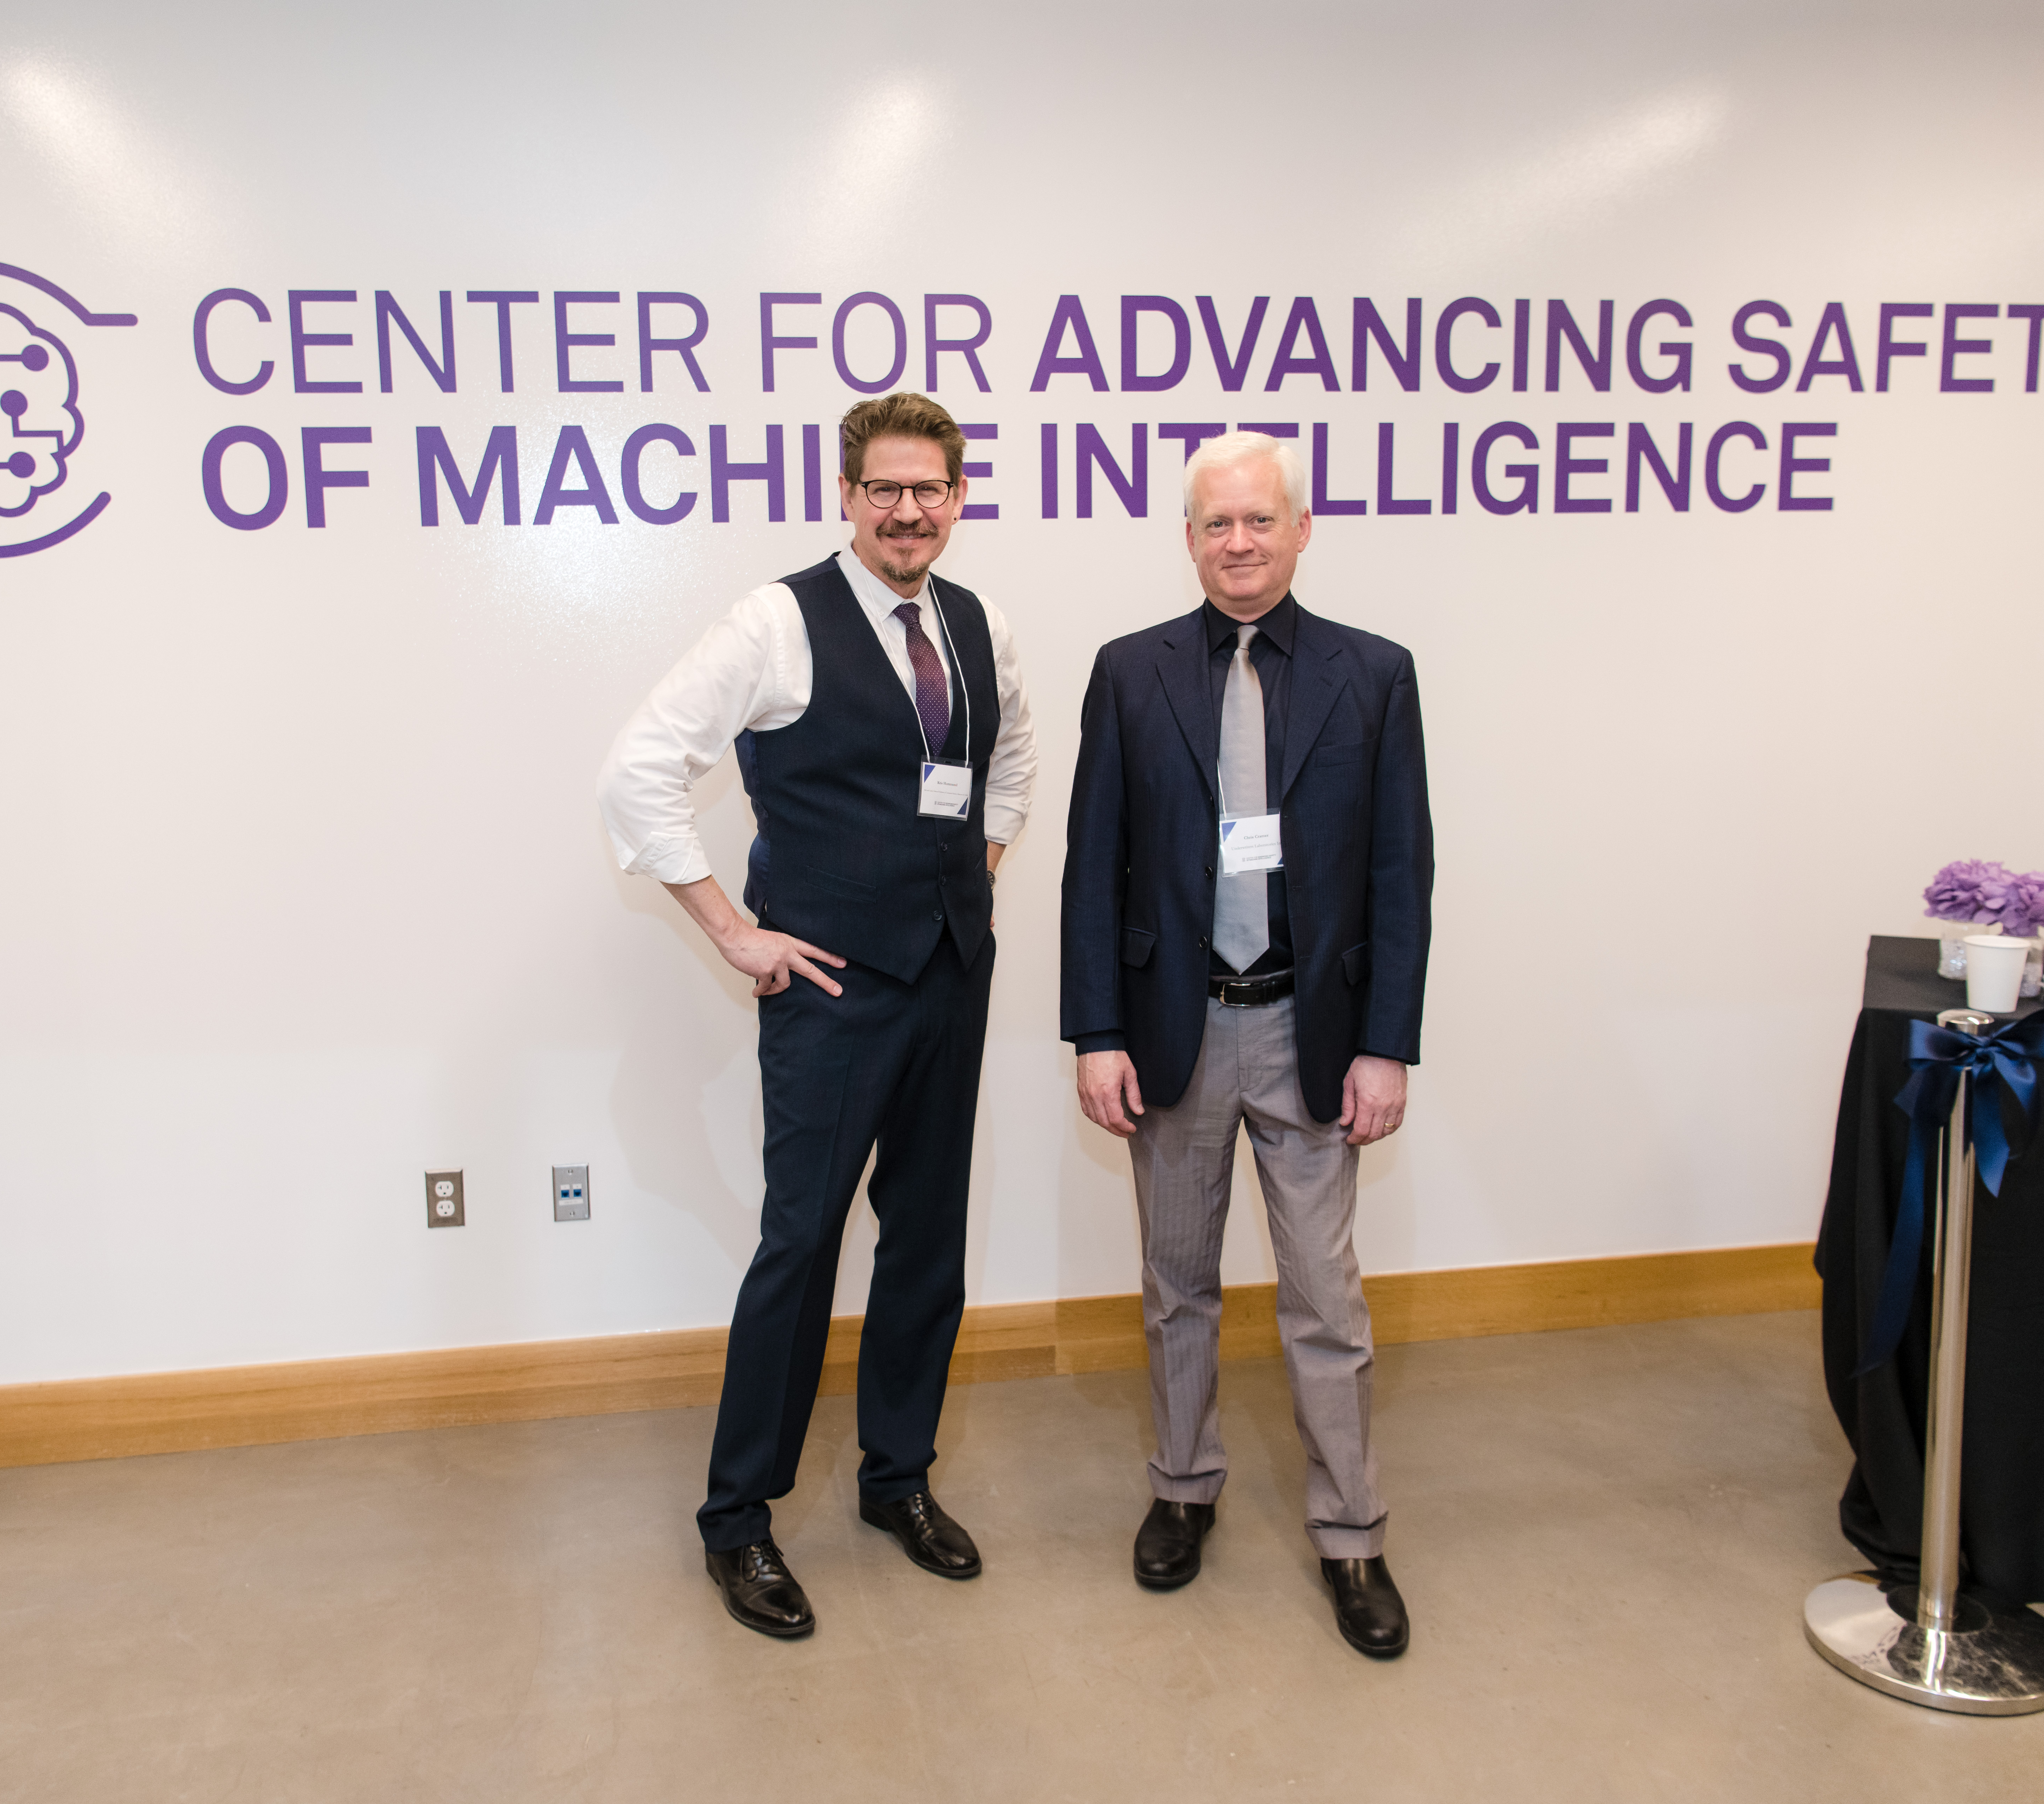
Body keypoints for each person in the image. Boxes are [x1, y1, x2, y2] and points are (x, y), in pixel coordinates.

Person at [598, 391, 1036, 1638]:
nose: (910, 512)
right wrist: (735, 931)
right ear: (848, 497)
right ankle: (738, 1523)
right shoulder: (776, 622)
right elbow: (635, 770)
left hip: (952, 975)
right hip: (831, 992)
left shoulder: (979, 621)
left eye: (933, 490)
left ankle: (897, 1481)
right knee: (801, 1249)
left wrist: (980, 872)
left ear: (958, 499)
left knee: (927, 1241)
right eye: (887, 490)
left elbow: (1010, 761)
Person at [1059, 429, 1433, 1658]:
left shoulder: (1373, 676)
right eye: (1216, 524)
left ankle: (1354, 1537)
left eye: (1259, 521)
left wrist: (1387, 1047)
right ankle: (1182, 1487)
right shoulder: (1130, 674)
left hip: (1309, 1032)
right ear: (1189, 538)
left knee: (1326, 1297)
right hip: (1176, 1032)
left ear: (1300, 528)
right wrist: (1096, 1033)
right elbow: (1090, 868)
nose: (1238, 543)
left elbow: (1400, 875)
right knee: (1178, 1289)